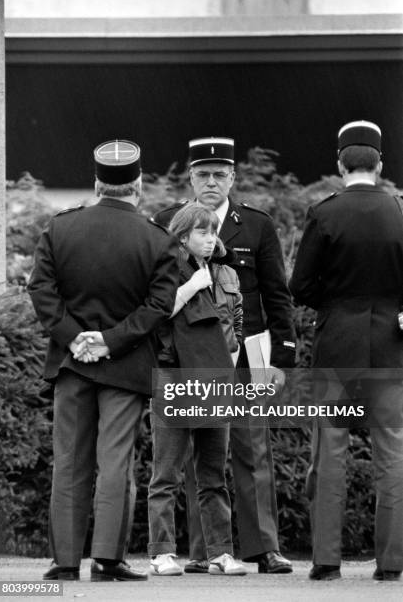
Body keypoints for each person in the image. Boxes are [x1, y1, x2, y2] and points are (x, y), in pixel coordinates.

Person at [28, 139, 179, 581]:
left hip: (73, 365)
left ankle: (66, 562)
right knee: (115, 463)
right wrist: (110, 340)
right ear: (138, 185)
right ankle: (108, 559)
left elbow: (41, 291)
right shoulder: (158, 239)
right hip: (126, 365)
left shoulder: (60, 229)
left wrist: (76, 339)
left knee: (70, 461)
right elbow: (158, 306)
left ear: (97, 183)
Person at [155, 137, 296, 574]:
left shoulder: (255, 224)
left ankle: (264, 548)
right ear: (191, 178)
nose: (211, 182)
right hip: (189, 354)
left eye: (220, 174)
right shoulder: (164, 223)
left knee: (252, 449)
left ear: (233, 178)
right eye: (203, 174)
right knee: (200, 455)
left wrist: (283, 354)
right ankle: (205, 551)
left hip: (244, 352)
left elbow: (277, 294)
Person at [290, 120, 403, 581]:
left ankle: (326, 561)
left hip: (337, 345)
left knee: (330, 453)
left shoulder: (324, 213)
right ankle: (392, 565)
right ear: (381, 163)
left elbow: (300, 286)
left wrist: (333, 304)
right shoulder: (400, 212)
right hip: (391, 349)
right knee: (392, 455)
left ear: (339, 164)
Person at [148, 203, 246, 576]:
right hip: (174, 376)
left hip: (215, 377)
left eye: (213, 231)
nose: (210, 239)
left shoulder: (223, 272)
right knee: (167, 472)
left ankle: (220, 553)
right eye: (203, 232)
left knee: (212, 472)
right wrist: (192, 285)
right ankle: (162, 552)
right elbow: (156, 313)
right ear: (183, 235)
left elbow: (236, 323)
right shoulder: (166, 268)